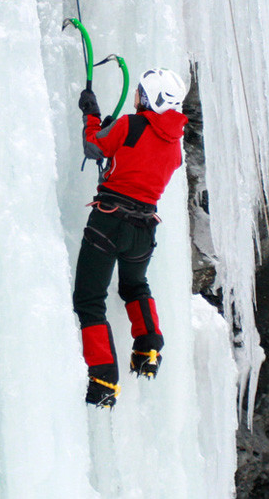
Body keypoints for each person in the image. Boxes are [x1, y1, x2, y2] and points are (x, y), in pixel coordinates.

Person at [74, 67, 189, 408]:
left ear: (149, 98)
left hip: (109, 222)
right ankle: (148, 347)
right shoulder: (175, 146)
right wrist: (116, 136)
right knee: (135, 286)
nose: (136, 94)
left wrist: (92, 116)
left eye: (140, 90)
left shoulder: (129, 125)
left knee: (89, 301)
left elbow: (94, 147)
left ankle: (103, 378)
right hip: (143, 229)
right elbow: (140, 156)